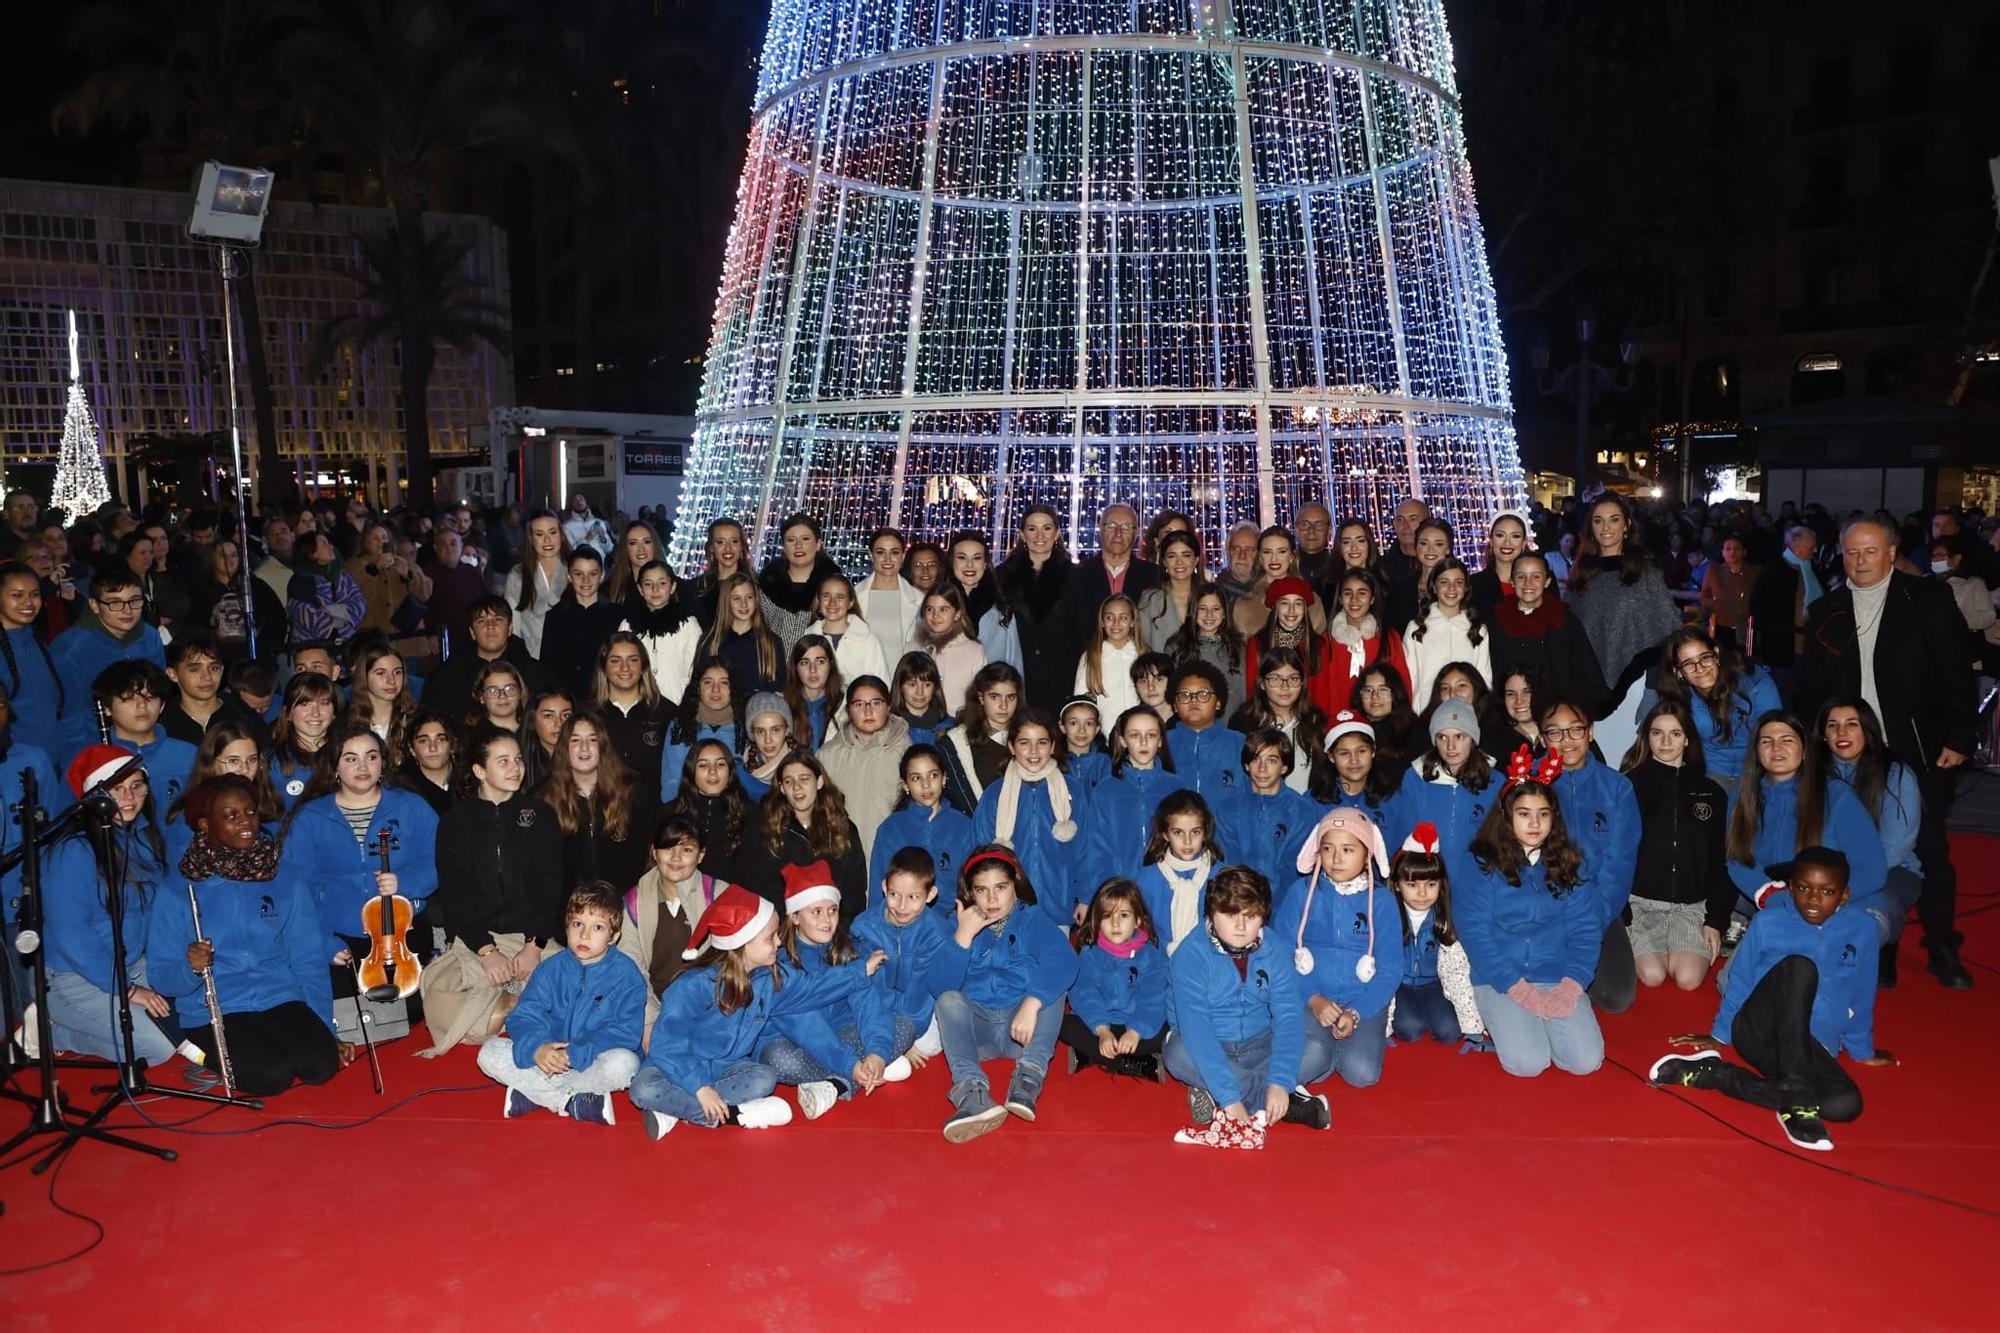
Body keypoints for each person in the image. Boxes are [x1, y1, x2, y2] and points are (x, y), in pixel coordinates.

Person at [1799, 518, 1975, 989]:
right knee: (1855, 848)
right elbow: (1810, 690)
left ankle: (1942, 948)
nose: (1860, 561)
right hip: (1847, 753)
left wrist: (1960, 738)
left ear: (1892, 552)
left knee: (1930, 848)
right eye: (1852, 552)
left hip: (1921, 751)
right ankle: (1885, 945)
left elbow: (1957, 673)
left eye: (1870, 551)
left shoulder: (1929, 601)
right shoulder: (1826, 610)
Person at [1650, 847, 1893, 1153]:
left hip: (1813, 1046)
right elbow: (1740, 980)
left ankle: (1719, 1076)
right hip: (1760, 1033)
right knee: (1800, 968)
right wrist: (1719, 1035)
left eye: (1827, 891)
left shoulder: (1862, 928)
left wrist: (1861, 1048)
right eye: (1804, 888)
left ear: (1844, 895)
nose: (1814, 898)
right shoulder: (1769, 922)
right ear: (1790, 888)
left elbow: (1862, 989)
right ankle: (1799, 1103)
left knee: (1845, 1104)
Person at [629, 884, 879, 1136]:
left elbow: (813, 987)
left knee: (764, 1079)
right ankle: (734, 1116)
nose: (779, 941)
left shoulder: (771, 980)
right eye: (771, 937)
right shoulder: (693, 986)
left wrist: (860, 971)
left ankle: (676, 1109)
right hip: (676, 1066)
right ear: (743, 944)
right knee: (643, 1089)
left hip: (727, 1068)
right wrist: (699, 1088)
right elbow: (666, 1045)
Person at [149, 776, 345, 1095]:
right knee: (272, 1077)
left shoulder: (283, 875)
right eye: (231, 816)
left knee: (320, 1066)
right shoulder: (178, 889)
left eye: (250, 812)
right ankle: (199, 1054)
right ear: (204, 824)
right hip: (217, 1008)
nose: (246, 823)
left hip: (279, 997)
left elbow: (307, 957)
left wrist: (326, 1026)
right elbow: (161, 976)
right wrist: (192, 968)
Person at [1448, 770, 1605, 1079]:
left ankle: (1549, 1021)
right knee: (1528, 1063)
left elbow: (1585, 929)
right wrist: (1519, 991)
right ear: (1506, 817)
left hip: (1556, 974)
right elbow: (1475, 932)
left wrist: (1571, 985)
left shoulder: (1570, 861)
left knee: (1585, 1062)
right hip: (1501, 978)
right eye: (1524, 814)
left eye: (1543, 814)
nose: (1535, 824)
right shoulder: (1481, 862)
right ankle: (1509, 1021)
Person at [422, 727, 564, 1052]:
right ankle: (517, 1003)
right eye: (503, 761)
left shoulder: (540, 815)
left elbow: (550, 884)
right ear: (479, 771)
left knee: (576, 999)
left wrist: (534, 944)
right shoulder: (456, 823)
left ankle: (517, 1002)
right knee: (456, 1019)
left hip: (531, 938)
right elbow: (456, 894)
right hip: (477, 940)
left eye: (517, 759)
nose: (515, 767)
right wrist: (486, 951)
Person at [1163, 864, 1330, 1140]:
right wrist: (1230, 1098)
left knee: (1320, 1052)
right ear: (1211, 914)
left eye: (1251, 916)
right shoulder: (1189, 956)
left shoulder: (1274, 947)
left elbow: (1288, 1015)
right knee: (1176, 1053)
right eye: (1229, 915)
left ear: (1263, 916)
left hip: (1261, 1044)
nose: (1240, 926)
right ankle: (1285, 1104)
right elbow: (1197, 1031)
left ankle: (1220, 1088)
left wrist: (1279, 1079)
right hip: (1211, 1043)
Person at [43, 747, 183, 1068]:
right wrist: (129, 990)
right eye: (116, 788)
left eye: (136, 785)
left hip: (134, 963)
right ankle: (56, 1032)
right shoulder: (73, 851)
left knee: (191, 1010)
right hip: (77, 978)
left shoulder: (140, 838)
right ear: (96, 796)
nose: (129, 796)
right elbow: (73, 937)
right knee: (159, 1047)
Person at [930, 845, 1079, 1142]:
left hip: (1021, 1031)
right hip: (979, 1034)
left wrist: (1032, 1003)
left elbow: (1065, 960)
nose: (992, 898)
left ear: (1016, 884)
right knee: (948, 1001)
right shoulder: (957, 923)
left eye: (1000, 887)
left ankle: (1029, 1076)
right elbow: (938, 986)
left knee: (1051, 988)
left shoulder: (1031, 919)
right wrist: (963, 936)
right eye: (981, 890)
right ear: (970, 893)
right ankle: (972, 1092)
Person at [476, 879, 645, 1125]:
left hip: (590, 1060)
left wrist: (575, 1053)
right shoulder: (550, 969)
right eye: (577, 924)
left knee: (625, 1064)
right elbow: (524, 1016)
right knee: (489, 1052)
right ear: (566, 927)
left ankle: (535, 1094)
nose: (584, 935)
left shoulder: (627, 976)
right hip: (548, 1058)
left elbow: (626, 1033)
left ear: (614, 936)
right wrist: (538, 1048)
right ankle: (569, 1101)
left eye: (597, 927)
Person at [282, 723, 440, 977]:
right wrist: (321, 940)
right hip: (338, 937)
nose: (363, 767)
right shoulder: (311, 818)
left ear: (382, 763)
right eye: (351, 758)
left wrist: (406, 882)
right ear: (335, 766)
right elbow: (297, 887)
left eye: (372, 757)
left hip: (404, 931)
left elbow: (440, 861)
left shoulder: (411, 806)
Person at [759, 862, 911, 1121]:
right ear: (795, 916)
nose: (826, 920)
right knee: (778, 1060)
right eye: (815, 912)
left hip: (841, 1036)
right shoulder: (779, 964)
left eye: (832, 910)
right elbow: (807, 1027)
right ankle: (848, 1077)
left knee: (904, 1026)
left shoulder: (848, 951)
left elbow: (868, 1005)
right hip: (796, 1043)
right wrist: (850, 1065)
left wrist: (875, 1053)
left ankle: (834, 1084)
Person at [1726, 712, 1886, 943]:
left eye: (1787, 740)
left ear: (1804, 750)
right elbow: (1737, 858)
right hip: (1777, 903)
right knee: (1735, 977)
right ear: (1756, 752)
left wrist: (1820, 902)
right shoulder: (1742, 795)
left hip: (1841, 905)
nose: (1776, 747)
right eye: (1766, 741)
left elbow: (1873, 869)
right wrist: (1775, 899)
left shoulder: (1836, 795)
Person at [1276, 807, 1401, 1091]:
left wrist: (1356, 1012)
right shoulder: (1300, 892)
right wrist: (1312, 998)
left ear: (1367, 853)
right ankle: (1317, 1052)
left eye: (1348, 849)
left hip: (1363, 999)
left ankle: (1328, 1048)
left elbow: (1392, 969)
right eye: (1328, 848)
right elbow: (1279, 954)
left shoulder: (1381, 902)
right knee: (1314, 1062)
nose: (1336, 859)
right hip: (1311, 996)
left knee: (1362, 1074)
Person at [1619, 701, 1732, 992]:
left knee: (1688, 980)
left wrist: (1716, 920)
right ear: (1646, 738)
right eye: (1657, 733)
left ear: (1688, 740)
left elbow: (1723, 861)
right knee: (1653, 976)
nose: (1666, 742)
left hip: (1691, 908)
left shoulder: (1712, 792)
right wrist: (1623, 915)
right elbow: (1614, 855)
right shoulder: (1627, 786)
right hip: (1641, 904)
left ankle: (1682, 944)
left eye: (1675, 734)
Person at [1541, 697, 1641, 1015]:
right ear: (1543, 739)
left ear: (1590, 733)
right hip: (1540, 909)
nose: (1566, 740)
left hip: (1594, 909)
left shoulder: (1617, 788)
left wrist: (1590, 922)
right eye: (1555, 733)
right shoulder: (1525, 782)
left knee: (1618, 997)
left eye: (1575, 730)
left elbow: (1619, 866)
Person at [1818, 698, 1926, 976]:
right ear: (1823, 735)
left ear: (1867, 730)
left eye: (1851, 725)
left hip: (1891, 868)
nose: (1841, 733)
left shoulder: (1897, 774)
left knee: (1880, 901)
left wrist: (1847, 884)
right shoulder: (1813, 775)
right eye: (1833, 726)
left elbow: (1895, 846)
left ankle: (1882, 946)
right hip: (1828, 868)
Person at [972, 710, 1088, 927]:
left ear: (1053, 746)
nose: (1034, 751)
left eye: (1042, 742)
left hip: (1058, 906)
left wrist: (1085, 897)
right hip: (1007, 910)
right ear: (1011, 746)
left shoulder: (1072, 790)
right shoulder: (994, 794)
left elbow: (1084, 848)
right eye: (1024, 742)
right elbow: (980, 849)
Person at [619, 813, 720, 1042]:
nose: (676, 858)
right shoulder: (634, 902)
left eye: (687, 850)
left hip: (707, 1009)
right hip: (653, 1007)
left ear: (701, 855)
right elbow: (630, 966)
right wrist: (649, 1020)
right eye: (668, 848)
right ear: (654, 852)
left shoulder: (717, 894)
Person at [1568, 494, 1682, 694]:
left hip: (1639, 687)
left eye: (1614, 519)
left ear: (1627, 525)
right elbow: (1570, 635)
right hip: (1588, 687)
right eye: (1598, 521)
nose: (1606, 528)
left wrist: (1651, 686)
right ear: (1590, 528)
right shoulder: (1581, 575)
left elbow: (1669, 631)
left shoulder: (1647, 574)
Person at [537, 711, 659, 897]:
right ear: (564, 748)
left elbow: (652, 854)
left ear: (603, 746)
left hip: (629, 906)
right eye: (575, 740)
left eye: (592, 740)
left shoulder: (633, 793)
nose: (584, 748)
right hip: (570, 912)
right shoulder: (544, 799)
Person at [851, 846, 950, 1067]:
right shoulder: (864, 927)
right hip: (876, 1006)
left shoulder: (937, 932)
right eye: (895, 895)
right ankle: (880, 1056)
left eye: (913, 897)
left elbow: (921, 990)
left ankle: (883, 1055)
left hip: (916, 1008)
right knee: (857, 1020)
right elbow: (866, 986)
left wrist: (908, 1036)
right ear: (885, 887)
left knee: (930, 1045)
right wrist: (889, 1027)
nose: (902, 906)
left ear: (930, 895)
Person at [737, 751, 867, 919]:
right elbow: (756, 889)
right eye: (788, 781)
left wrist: (842, 933)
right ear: (782, 788)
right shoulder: (765, 831)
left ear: (819, 782)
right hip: (783, 933)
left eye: (804, 779)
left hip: (834, 931)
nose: (796, 787)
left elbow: (854, 891)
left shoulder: (844, 829)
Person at [1062, 878, 1170, 1081]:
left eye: (1124, 915)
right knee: (1061, 1022)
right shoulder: (1090, 952)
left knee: (1168, 1032)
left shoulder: (1151, 955)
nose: (1115, 923)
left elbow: (1154, 996)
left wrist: (1136, 1031)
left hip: (1137, 1027)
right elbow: (1083, 992)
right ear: (1097, 919)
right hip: (1098, 1025)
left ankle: (1092, 1056)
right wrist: (1102, 1030)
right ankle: (1134, 1064)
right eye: (1107, 916)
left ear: (1138, 919)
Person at [1650, 627, 1780, 793]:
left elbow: (1776, 734)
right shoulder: (1678, 698)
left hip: (1759, 770)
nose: (1700, 668)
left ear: (1716, 654)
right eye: (1689, 664)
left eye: (1705, 658)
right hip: (1711, 775)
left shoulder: (1755, 684)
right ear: (1678, 672)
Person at [1388, 824, 1482, 1046]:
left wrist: (1472, 1025)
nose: (1422, 893)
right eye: (1412, 884)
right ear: (1398, 885)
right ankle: (1414, 1015)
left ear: (1441, 885)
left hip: (1434, 984)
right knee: (1410, 1029)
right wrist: (1382, 1025)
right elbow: (1380, 970)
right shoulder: (1388, 916)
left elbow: (1457, 971)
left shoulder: (1445, 917)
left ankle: (1429, 1013)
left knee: (1450, 1033)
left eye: (1431, 884)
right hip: (1398, 985)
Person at [1484, 551, 1602, 712]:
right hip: (1511, 716)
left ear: (1547, 581)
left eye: (1536, 576)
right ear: (1512, 581)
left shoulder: (1565, 622)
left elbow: (1586, 671)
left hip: (1557, 716)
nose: (1528, 583)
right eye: (1521, 576)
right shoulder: (1496, 624)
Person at [817, 676, 911, 878]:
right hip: (842, 859)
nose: (868, 711)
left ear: (888, 707)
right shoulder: (828, 754)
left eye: (876, 703)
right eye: (859, 704)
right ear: (848, 710)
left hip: (891, 858)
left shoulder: (905, 753)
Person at [997, 505, 1083, 712]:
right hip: (1018, 669)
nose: (1039, 535)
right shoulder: (1002, 576)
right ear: (1022, 534)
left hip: (1062, 671)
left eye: (1046, 528)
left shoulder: (1075, 576)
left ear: (1057, 533)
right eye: (1032, 528)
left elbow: (1081, 627)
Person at [869, 745, 975, 908]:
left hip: (952, 925)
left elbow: (973, 886)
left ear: (944, 778)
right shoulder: (890, 829)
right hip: (903, 922)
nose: (926, 785)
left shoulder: (964, 826)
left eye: (933, 775)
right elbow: (878, 891)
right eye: (916, 778)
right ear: (905, 785)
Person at [419, 595, 551, 724]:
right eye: (481, 621)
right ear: (472, 632)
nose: (490, 626)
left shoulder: (535, 673)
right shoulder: (446, 677)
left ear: (510, 628)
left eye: (498, 619)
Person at [1219, 727, 1320, 892]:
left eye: (1272, 760)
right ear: (1246, 765)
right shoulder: (1229, 807)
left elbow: (1297, 868)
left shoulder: (1301, 810)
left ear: (1284, 767)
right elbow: (1228, 861)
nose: (1262, 768)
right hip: (1239, 897)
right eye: (1255, 759)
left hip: (1285, 902)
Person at [99, 660, 198, 816]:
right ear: (107, 708)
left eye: (150, 697)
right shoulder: (93, 759)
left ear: (162, 705)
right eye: (129, 698)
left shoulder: (188, 755)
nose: (142, 705)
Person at [1395, 698, 1494, 853]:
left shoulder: (1495, 781)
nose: (1450, 746)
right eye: (1442, 737)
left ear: (1473, 739)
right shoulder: (1415, 778)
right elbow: (1405, 832)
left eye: (1459, 736)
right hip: (1430, 873)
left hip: (1481, 874)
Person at [661, 736, 759, 890]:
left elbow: (757, 875)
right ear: (692, 771)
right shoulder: (670, 813)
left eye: (720, 764)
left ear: (730, 772)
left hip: (734, 904)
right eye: (703, 765)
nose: (712, 771)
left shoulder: (750, 813)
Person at [1135, 789, 1221, 954]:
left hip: (1209, 967)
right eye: (1178, 833)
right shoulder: (1146, 879)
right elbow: (1140, 935)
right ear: (1165, 834)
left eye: (1195, 832)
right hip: (1159, 967)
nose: (1187, 841)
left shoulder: (1221, 876)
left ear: (1205, 832)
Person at [1246, 576, 1340, 719]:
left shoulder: (1318, 646)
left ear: (1305, 609)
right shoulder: (1258, 643)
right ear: (1275, 607)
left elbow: (1322, 695)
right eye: (1284, 603)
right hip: (1267, 720)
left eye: (1298, 604)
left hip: (1307, 721)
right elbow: (1252, 691)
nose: (1291, 610)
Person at [1746, 524, 1824, 694]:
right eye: (1811, 546)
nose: (1816, 549)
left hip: (1808, 645)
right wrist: (1787, 628)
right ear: (1795, 546)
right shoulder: (1774, 569)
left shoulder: (1811, 568)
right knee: (1782, 693)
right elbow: (1757, 609)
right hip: (1782, 648)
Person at [1404, 557, 1491, 707]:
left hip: (1467, 713)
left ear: (1466, 588)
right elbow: (1411, 678)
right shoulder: (1416, 628)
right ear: (1433, 587)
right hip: (1426, 713)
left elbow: (1484, 677)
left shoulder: (1477, 630)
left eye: (1458, 583)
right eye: (1444, 582)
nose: (1451, 588)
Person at [540, 546, 622, 701]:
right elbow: (547, 666)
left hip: (606, 697)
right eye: (579, 574)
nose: (586, 580)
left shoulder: (617, 616)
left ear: (602, 576)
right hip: (567, 698)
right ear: (569, 576)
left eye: (593, 574)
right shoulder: (555, 617)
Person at [937, 661, 1020, 812]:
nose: (1004, 705)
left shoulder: (1028, 739)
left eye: (1011, 697)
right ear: (981, 698)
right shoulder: (957, 743)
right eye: (995, 697)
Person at [619, 560, 702, 707]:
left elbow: (695, 668)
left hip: (677, 705)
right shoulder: (628, 625)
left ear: (673, 586)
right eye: (648, 584)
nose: (655, 589)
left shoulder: (689, 625)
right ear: (640, 589)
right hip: (637, 706)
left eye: (662, 583)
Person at [161, 632, 268, 746]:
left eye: (214, 668)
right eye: (195, 669)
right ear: (172, 674)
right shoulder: (163, 726)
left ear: (222, 670)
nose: (207, 676)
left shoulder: (244, 716)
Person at [591, 632, 672, 782]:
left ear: (643, 666)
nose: (625, 668)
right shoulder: (589, 715)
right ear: (604, 668)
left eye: (633, 660)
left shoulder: (666, 712)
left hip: (654, 804)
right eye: (615, 661)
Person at [758, 512, 843, 652]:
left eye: (805, 539)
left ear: (818, 544)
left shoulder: (834, 585)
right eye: (791, 540)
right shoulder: (766, 584)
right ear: (784, 547)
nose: (798, 545)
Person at [1163, 660, 1245, 802]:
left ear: (1218, 702)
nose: (1193, 700)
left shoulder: (1240, 744)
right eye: (1185, 695)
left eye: (1203, 694)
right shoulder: (1160, 744)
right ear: (1175, 706)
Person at [346, 521, 434, 649]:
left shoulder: (403, 561)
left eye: (384, 537)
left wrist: (408, 575)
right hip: (373, 639)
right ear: (365, 541)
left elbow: (425, 592)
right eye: (375, 538)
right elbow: (352, 591)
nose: (381, 541)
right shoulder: (354, 566)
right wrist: (374, 569)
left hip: (406, 639)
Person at [1324, 569, 1410, 699]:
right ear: (1340, 599)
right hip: (1337, 716)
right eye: (1348, 593)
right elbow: (1318, 692)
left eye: (1362, 593)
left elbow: (1402, 686)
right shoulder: (1326, 641)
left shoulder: (1389, 638)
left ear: (1372, 599)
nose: (1354, 599)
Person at [945, 531, 1023, 674]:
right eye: (962, 558)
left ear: (985, 563)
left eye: (977, 558)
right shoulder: (936, 603)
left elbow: (1014, 662)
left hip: (991, 691)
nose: (969, 564)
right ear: (952, 561)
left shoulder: (1002, 606)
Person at [1165, 585, 1248, 719]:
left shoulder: (1239, 648)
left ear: (1224, 613)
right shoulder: (1177, 648)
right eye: (1202, 609)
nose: (1209, 615)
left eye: (1216, 609)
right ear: (1192, 612)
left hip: (1232, 727)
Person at [701, 571, 787, 700]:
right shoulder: (710, 641)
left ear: (756, 599)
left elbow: (779, 690)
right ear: (726, 602)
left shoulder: (771, 642)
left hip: (756, 713)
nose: (744, 604)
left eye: (749, 597)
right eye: (736, 598)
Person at [1232, 527, 1327, 639]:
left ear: (1292, 556)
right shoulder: (1244, 604)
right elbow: (1239, 650)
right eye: (1267, 552)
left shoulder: (1312, 601)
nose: (1274, 558)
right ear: (1260, 558)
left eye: (1281, 551)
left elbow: (1319, 647)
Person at [502, 509, 569, 659]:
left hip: (571, 657)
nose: (547, 540)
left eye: (552, 532)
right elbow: (513, 627)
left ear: (561, 535)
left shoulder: (575, 571)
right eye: (539, 534)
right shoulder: (518, 575)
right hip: (533, 657)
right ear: (531, 539)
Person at [285, 530, 367, 648]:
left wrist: (332, 610)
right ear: (312, 553)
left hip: (345, 648)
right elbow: (312, 619)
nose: (331, 546)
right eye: (324, 543)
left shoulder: (341, 576)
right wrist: (343, 617)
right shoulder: (300, 584)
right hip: (312, 652)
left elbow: (361, 602)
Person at [806, 573, 890, 688]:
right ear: (818, 601)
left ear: (850, 602)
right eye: (826, 596)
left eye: (840, 597)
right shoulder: (807, 637)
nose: (832, 603)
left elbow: (882, 685)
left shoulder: (868, 640)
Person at [914, 584, 986, 715]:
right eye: (930, 609)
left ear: (957, 614)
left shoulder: (974, 651)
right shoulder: (913, 647)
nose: (935, 616)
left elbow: (980, 697)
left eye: (943, 610)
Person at [268, 671, 336, 809]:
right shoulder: (276, 763)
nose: (315, 713)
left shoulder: (348, 753)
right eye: (305, 704)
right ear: (288, 713)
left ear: (334, 712)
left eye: (323, 703)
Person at [1074, 593, 1145, 722]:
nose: (1116, 623)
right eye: (1109, 617)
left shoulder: (1143, 655)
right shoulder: (1091, 657)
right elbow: (1080, 701)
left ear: (1133, 621)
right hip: (1104, 733)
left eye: (1123, 617)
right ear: (1102, 622)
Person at [859, 528, 924, 665]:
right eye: (880, 552)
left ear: (903, 556)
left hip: (903, 679)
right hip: (863, 678)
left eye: (894, 552)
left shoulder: (920, 600)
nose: (888, 559)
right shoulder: (854, 596)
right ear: (871, 555)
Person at [1137, 530, 1202, 647]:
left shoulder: (1210, 597)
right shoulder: (1150, 599)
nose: (1179, 562)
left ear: (1196, 560)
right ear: (1164, 562)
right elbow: (1141, 646)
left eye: (1186, 555)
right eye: (1172, 556)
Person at [1352, 661, 1419, 766]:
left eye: (1383, 690)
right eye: (1368, 690)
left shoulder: (1413, 732)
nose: (1375, 696)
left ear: (1395, 694)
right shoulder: (1350, 729)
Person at [1468, 511, 1531, 616]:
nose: (1507, 543)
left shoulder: (1540, 582)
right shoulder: (1473, 585)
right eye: (1500, 535)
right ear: (1491, 541)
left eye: (1515, 536)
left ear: (1524, 543)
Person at [1700, 535, 1758, 643]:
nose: (1732, 553)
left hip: (1748, 627)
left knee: (1747, 658)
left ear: (1744, 552)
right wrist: (1717, 604)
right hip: (1722, 625)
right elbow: (1704, 596)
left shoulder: (1755, 572)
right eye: (1728, 549)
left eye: (1736, 549)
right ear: (1722, 552)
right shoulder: (1714, 571)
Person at [889, 651, 951, 747]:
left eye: (927, 685)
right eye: (912, 685)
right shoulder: (888, 730)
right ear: (900, 686)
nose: (920, 692)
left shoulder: (950, 728)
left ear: (935, 687)